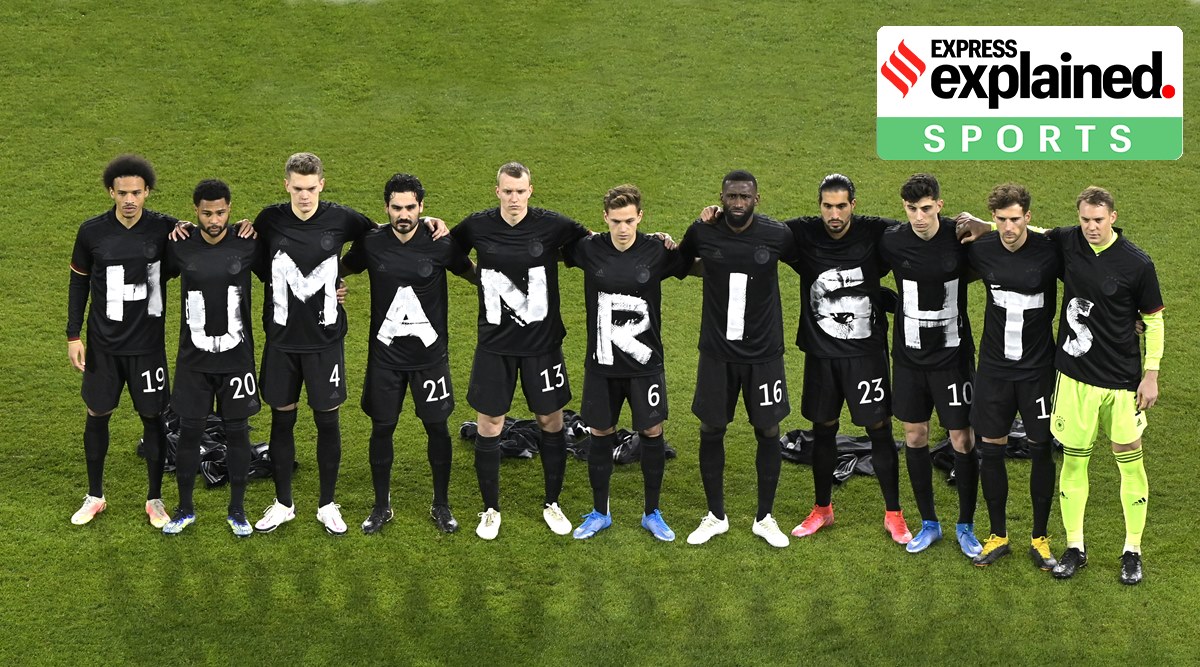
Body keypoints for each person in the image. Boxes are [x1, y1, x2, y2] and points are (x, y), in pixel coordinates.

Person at [449, 162, 590, 540]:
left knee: (551, 421)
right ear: (497, 191)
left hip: (542, 347)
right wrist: (473, 275)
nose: (514, 198)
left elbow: (596, 245)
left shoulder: (554, 224)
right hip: (495, 347)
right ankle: (490, 509)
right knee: (489, 424)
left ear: (531, 190)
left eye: (520, 191)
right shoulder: (477, 225)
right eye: (507, 191)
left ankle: (553, 503)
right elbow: (450, 251)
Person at [775, 174, 912, 545]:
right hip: (821, 355)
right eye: (827, 206)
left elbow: (921, 229)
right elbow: (758, 232)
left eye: (841, 206)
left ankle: (894, 514)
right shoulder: (803, 234)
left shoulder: (876, 233)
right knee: (822, 431)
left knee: (879, 430)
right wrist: (715, 218)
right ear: (819, 205)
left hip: (866, 355)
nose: (834, 214)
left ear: (854, 203)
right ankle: (822, 509)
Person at [250, 152, 378, 535]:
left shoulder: (342, 219)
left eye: (311, 188)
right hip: (282, 342)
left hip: (325, 343)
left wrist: (339, 274)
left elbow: (377, 238)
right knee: (281, 419)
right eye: (297, 188)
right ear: (286, 184)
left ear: (322, 184)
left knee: (327, 421)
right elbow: (256, 260)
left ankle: (326, 504)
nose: (304, 195)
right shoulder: (268, 219)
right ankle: (284, 503)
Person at [341, 174, 475, 535]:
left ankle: (441, 504)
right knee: (382, 427)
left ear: (422, 207)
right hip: (385, 359)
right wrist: (333, 286)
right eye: (397, 207)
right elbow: (340, 269)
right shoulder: (371, 243)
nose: (404, 214)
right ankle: (381, 505)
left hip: (430, 358)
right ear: (386, 208)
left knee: (437, 427)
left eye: (411, 207)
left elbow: (473, 275)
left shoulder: (439, 243)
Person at [1047, 187, 1162, 585]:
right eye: (1084, 220)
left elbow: (1155, 320)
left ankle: (1133, 550)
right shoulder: (1068, 242)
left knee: (1129, 459)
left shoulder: (1137, 264)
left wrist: (1151, 374)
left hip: (1122, 382)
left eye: (1098, 220)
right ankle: (1075, 547)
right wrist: (985, 225)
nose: (1091, 227)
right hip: (1075, 379)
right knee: (1074, 461)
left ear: (1113, 216)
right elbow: (1024, 231)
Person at [678, 170, 798, 548]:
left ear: (756, 199)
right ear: (721, 197)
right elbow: (677, 264)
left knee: (768, 430)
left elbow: (811, 260)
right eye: (731, 196)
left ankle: (765, 517)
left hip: (764, 356)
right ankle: (716, 515)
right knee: (712, 429)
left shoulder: (777, 235)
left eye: (744, 196)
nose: (738, 203)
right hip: (716, 354)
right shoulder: (702, 232)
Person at [562, 184, 687, 541]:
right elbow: (553, 247)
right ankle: (600, 512)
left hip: (645, 366)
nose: (622, 228)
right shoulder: (589, 248)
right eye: (616, 221)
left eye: (629, 220)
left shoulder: (656, 250)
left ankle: (652, 513)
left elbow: (692, 264)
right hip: (602, 366)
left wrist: (675, 241)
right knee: (600, 434)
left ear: (640, 218)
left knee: (651, 432)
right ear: (605, 218)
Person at [67, 155, 175, 528]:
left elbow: (209, 246)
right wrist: (73, 335)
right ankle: (95, 495)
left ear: (147, 193)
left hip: (147, 348)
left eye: (137, 192)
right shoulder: (91, 232)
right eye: (123, 192)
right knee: (97, 414)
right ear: (111, 192)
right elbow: (79, 282)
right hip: (104, 347)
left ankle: (155, 499)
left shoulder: (166, 230)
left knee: (153, 417)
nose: (130, 199)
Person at [878, 173, 981, 556]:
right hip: (908, 359)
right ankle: (929, 524)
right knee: (915, 436)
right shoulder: (892, 239)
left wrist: (984, 225)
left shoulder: (961, 235)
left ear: (939, 204)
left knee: (962, 439)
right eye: (911, 209)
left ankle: (966, 525)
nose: (919, 217)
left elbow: (1009, 247)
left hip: (952, 358)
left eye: (925, 208)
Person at [964, 183, 1060, 569]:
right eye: (1001, 220)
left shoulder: (1051, 252)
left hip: (1037, 370)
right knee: (992, 449)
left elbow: (1091, 275)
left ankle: (1040, 538)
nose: (1008, 227)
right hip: (994, 370)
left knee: (1040, 448)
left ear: (1029, 218)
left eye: (1015, 219)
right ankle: (998, 535)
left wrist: (1129, 318)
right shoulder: (981, 249)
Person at [160, 179, 262, 537]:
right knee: (189, 433)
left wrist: (337, 287)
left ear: (230, 209)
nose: (214, 220)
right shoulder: (180, 245)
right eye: (207, 213)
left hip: (237, 359)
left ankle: (237, 510)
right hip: (193, 360)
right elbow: (151, 273)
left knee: (237, 433)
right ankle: (185, 509)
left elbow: (280, 275)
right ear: (196, 212)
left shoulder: (248, 242)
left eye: (220, 213)